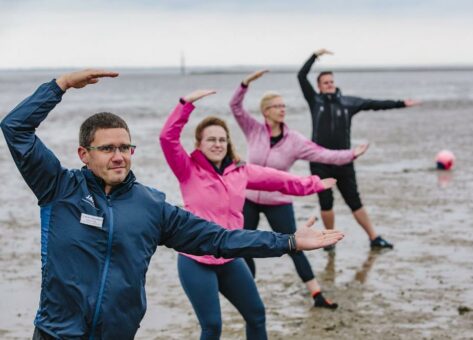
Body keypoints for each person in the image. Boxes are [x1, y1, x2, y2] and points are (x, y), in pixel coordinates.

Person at [0, 70, 345, 340]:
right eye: (107, 149)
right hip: (57, 333)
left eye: (125, 147)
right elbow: (15, 128)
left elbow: (219, 239)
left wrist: (288, 242)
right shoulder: (58, 188)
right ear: (84, 154)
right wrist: (60, 85)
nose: (119, 156)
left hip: (118, 334)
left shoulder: (151, 205)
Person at [159, 89, 338, 340]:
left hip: (231, 256)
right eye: (211, 139)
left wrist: (314, 184)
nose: (218, 144)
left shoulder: (239, 172)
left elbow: (280, 181)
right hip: (196, 259)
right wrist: (185, 104)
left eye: (222, 139)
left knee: (256, 314)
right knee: (212, 326)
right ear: (199, 144)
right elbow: (167, 138)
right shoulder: (186, 168)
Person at [229, 70, 369, 309]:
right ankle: (248, 293)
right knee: (244, 246)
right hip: (249, 199)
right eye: (277, 106)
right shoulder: (253, 129)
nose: (283, 109)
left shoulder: (294, 140)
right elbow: (236, 106)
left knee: (295, 246)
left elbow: (322, 153)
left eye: (284, 105)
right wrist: (245, 83)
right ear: (266, 111)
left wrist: (350, 154)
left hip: (279, 202)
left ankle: (317, 295)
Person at [298, 49, 420, 250]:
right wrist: (314, 56)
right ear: (319, 87)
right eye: (325, 83)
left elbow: (374, 104)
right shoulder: (315, 101)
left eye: (331, 81)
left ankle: (374, 238)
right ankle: (330, 241)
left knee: (354, 201)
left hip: (345, 162)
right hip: (320, 163)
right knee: (326, 203)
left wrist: (401, 104)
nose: (329, 85)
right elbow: (301, 76)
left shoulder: (348, 102)